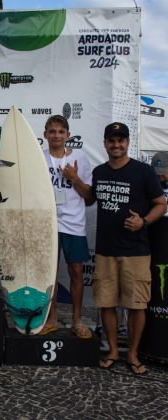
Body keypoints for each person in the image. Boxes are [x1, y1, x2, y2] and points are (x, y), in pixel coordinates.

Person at [89, 122, 166, 375]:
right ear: (105, 143)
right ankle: (112, 350)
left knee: (136, 305)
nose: (116, 144)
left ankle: (132, 354)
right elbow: (90, 197)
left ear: (128, 142)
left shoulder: (144, 171)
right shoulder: (99, 171)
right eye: (112, 140)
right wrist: (74, 179)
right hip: (105, 251)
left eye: (121, 140)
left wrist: (143, 221)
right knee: (107, 303)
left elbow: (160, 204)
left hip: (136, 251)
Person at [40, 115, 93, 339]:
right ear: (45, 135)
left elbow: (89, 197)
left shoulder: (80, 158)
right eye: (52, 131)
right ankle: (51, 320)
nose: (56, 135)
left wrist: (74, 178)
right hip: (47, 223)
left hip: (73, 223)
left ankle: (76, 320)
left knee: (76, 272)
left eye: (61, 132)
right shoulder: (39, 158)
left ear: (68, 135)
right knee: (48, 274)